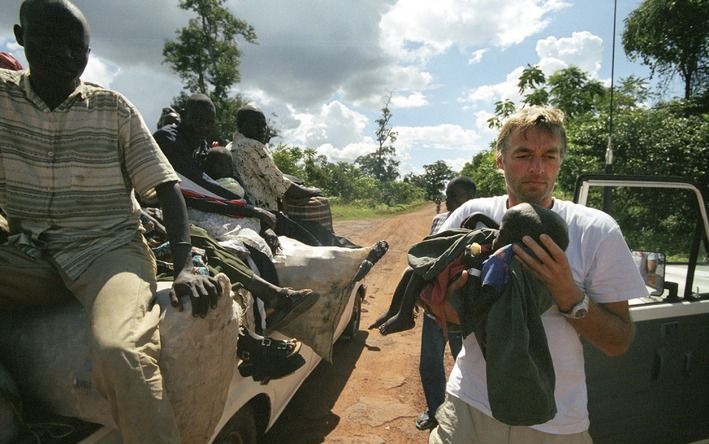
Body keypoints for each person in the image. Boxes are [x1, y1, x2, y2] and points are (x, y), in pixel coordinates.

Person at [0, 1, 219, 442]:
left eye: (75, 47)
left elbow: (167, 189)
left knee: (121, 351)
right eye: (48, 42)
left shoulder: (112, 109)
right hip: (26, 251)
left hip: (106, 250)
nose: (64, 56)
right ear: (21, 39)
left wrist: (186, 264)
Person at [428, 106, 646, 443]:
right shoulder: (472, 216)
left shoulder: (596, 230)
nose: (537, 167)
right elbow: (431, 301)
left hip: (556, 421)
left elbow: (617, 341)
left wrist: (569, 295)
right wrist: (458, 306)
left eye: (549, 155)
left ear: (560, 161)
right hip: (471, 405)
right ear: (500, 160)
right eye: (524, 154)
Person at [415, 177, 477, 431]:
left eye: (456, 196)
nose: (450, 201)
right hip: (434, 308)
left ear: (471, 198)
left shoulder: (480, 222)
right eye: (449, 195)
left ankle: (463, 416)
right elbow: (426, 258)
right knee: (429, 363)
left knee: (467, 364)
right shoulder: (439, 221)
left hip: (462, 312)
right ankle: (435, 410)